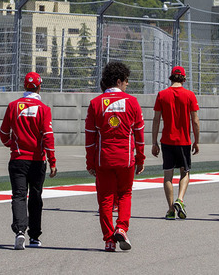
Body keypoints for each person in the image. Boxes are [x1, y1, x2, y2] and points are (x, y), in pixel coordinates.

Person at [85, 61, 146, 252]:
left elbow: (90, 138)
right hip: (126, 159)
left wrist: (90, 162)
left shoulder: (95, 103)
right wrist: (140, 158)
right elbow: (139, 135)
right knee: (125, 193)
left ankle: (109, 240)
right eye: (126, 81)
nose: (127, 84)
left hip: (103, 159)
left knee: (105, 199)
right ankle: (121, 227)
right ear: (119, 81)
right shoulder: (132, 102)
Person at [0, 71, 57, 250]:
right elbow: (48, 136)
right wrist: (52, 160)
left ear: (24, 86)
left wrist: (12, 145)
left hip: (18, 159)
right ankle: (34, 237)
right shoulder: (44, 109)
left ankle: (19, 232)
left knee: (18, 195)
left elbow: (3, 133)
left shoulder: (13, 106)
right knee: (36, 197)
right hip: (37, 160)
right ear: (39, 87)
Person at [151, 65, 200, 220]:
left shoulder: (162, 95)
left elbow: (156, 120)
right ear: (184, 79)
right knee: (185, 172)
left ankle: (171, 209)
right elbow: (195, 121)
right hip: (184, 141)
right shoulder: (190, 95)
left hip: (167, 140)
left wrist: (154, 142)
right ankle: (180, 199)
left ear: (171, 77)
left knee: (167, 176)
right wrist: (196, 141)